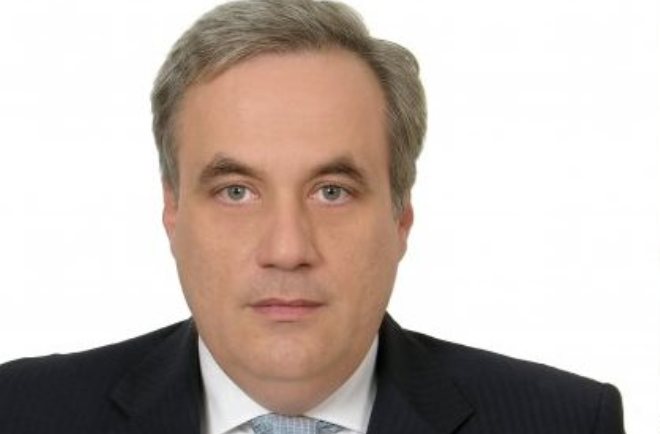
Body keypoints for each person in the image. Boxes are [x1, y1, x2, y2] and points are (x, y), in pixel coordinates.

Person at [0, 0, 625, 433]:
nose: (287, 249)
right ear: (173, 211)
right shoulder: (20, 413)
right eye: (236, 191)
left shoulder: (570, 422)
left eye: (331, 191)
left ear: (401, 217)